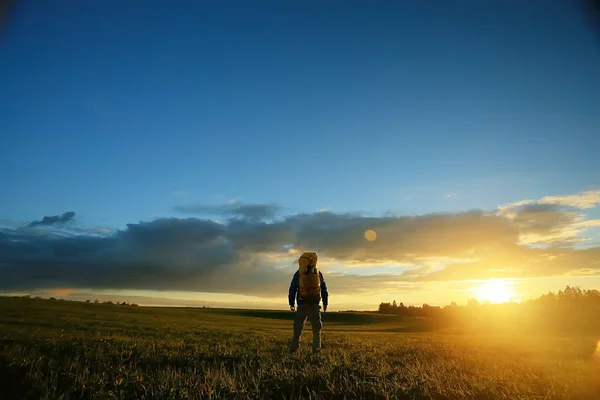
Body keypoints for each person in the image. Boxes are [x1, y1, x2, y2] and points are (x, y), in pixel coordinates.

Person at [288, 252, 329, 354]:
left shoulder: (299, 273)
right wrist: (325, 302)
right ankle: (316, 349)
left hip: (302, 304)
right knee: (316, 329)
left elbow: (292, 288)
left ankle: (294, 347)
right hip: (315, 305)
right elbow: (323, 289)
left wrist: (291, 303)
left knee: (298, 328)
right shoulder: (318, 274)